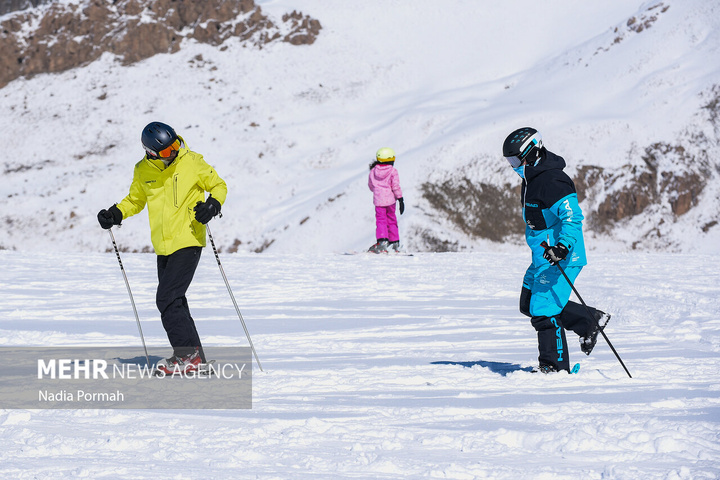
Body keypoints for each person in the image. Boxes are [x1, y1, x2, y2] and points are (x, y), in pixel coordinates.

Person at [97, 121, 227, 374]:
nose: (175, 152)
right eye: (168, 151)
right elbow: (135, 199)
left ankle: (187, 357)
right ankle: (195, 359)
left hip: (189, 239)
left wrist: (213, 206)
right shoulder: (143, 170)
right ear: (151, 152)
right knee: (175, 300)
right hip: (163, 246)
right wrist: (115, 213)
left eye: (176, 145)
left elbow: (219, 186)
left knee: (166, 298)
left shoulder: (191, 161)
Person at [502, 127, 610, 373]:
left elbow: (572, 218)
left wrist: (562, 248)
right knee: (528, 303)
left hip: (561, 256)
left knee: (544, 310)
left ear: (533, 151)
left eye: (516, 159)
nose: (513, 165)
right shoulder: (531, 177)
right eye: (509, 161)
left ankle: (554, 367)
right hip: (542, 255)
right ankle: (590, 320)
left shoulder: (552, 180)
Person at [368, 147, 405, 253]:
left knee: (381, 221)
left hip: (379, 201)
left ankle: (382, 241)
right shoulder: (393, 171)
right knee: (392, 220)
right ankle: (395, 242)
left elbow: (371, 186)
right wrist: (400, 199)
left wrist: (378, 191)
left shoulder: (373, 171)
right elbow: (395, 186)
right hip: (390, 201)